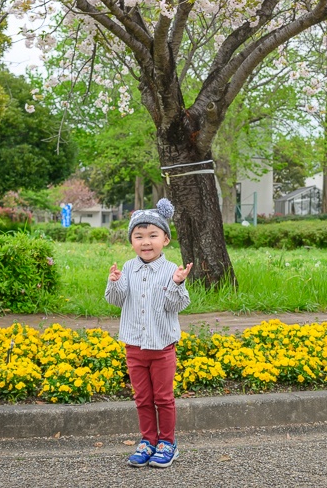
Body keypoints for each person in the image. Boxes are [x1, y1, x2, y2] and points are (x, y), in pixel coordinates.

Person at [105, 198, 192, 468]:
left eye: (153, 235)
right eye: (139, 236)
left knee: (163, 398)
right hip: (134, 346)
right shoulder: (128, 268)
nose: (146, 242)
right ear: (131, 241)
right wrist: (115, 282)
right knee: (142, 398)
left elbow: (175, 305)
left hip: (162, 347)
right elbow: (116, 301)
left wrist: (177, 283)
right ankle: (148, 441)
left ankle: (167, 443)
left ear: (165, 239)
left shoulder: (171, 270)